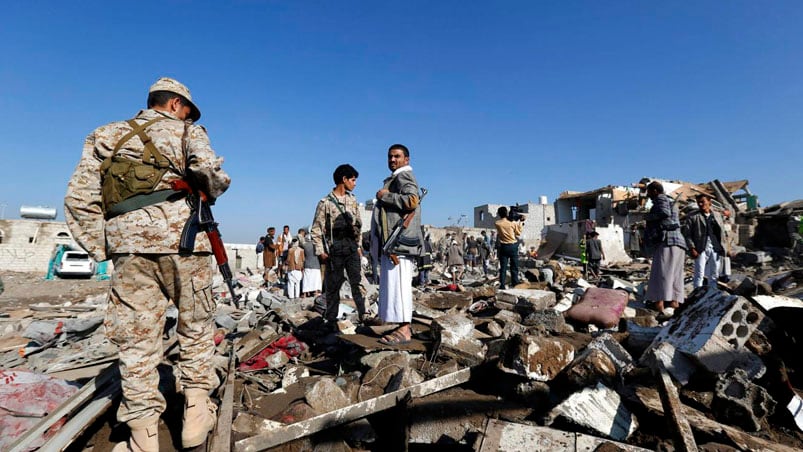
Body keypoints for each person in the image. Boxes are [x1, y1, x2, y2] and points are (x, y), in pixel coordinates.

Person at [64, 77, 229, 451]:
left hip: (129, 250)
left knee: (136, 341)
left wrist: (106, 246)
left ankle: (143, 436)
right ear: (174, 105)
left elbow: (78, 199)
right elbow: (211, 176)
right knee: (197, 327)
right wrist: (215, 184)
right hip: (186, 245)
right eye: (186, 110)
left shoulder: (105, 135)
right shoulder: (189, 133)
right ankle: (196, 417)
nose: (187, 116)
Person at [369, 144, 423, 346]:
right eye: (390, 156)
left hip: (399, 244)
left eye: (397, 156)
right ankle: (400, 324)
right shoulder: (395, 177)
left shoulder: (404, 176)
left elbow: (411, 201)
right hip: (393, 244)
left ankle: (405, 329)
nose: (392, 160)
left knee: (399, 286)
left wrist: (385, 196)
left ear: (406, 159)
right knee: (392, 285)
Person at [310, 164, 367, 329]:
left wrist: (358, 246)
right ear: (344, 179)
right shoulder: (326, 203)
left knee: (359, 283)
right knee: (333, 287)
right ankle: (331, 319)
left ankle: (365, 315)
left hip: (351, 249)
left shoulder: (353, 200)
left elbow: (359, 226)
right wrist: (320, 252)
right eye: (353, 180)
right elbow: (316, 229)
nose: (355, 183)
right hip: (334, 251)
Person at [644, 181, 687, 315]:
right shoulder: (670, 201)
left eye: (649, 192)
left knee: (662, 273)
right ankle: (674, 305)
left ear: (655, 191)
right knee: (675, 274)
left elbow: (664, 212)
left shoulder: (661, 199)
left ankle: (659, 305)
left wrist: (648, 217)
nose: (648, 195)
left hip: (667, 240)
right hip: (678, 242)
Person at [683, 193, 725, 288]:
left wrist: (725, 248)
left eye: (703, 202)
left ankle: (712, 294)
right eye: (699, 203)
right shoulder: (693, 216)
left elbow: (722, 233)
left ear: (709, 202)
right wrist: (692, 248)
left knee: (714, 274)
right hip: (700, 248)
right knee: (699, 274)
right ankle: (697, 295)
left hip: (715, 247)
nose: (701, 204)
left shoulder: (717, 216)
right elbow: (687, 235)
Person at [495, 206, 523, 290]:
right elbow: (518, 233)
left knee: (503, 267)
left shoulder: (497, 223)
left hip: (503, 247)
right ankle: (515, 282)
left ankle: (502, 285)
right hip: (513, 246)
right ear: (507, 213)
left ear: (499, 214)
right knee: (514, 266)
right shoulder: (513, 223)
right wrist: (520, 222)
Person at [298, 228, 321, 298]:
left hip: (307, 264)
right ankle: (316, 292)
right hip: (316, 264)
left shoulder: (305, 245)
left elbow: (300, 239)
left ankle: (305, 294)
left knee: (307, 280)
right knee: (316, 280)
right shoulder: (317, 245)